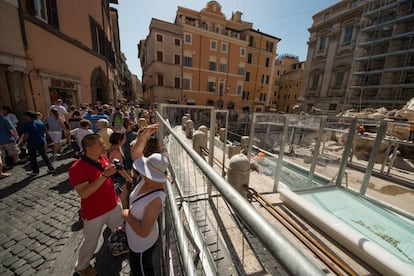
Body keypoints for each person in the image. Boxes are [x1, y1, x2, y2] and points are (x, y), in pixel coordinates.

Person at [68, 134, 125, 275]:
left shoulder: (102, 157)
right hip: (95, 212)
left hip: (112, 204)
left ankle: (117, 247)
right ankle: (81, 266)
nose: (104, 146)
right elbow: (84, 193)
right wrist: (105, 175)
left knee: (120, 229)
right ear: (88, 149)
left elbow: (106, 177)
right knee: (91, 242)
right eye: (99, 145)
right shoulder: (77, 168)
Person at [122, 123, 168, 276]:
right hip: (135, 242)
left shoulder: (156, 198)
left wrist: (126, 213)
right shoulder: (147, 178)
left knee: (142, 271)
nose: (141, 171)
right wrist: (144, 136)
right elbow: (137, 155)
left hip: (141, 245)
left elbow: (142, 231)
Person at [21, 111, 55, 176]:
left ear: (28, 116)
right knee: (44, 156)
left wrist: (23, 142)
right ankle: (51, 168)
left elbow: (26, 135)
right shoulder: (40, 122)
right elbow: (45, 131)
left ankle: (35, 171)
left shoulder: (27, 124)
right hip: (41, 141)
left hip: (32, 143)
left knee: (33, 157)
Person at [108, 132, 133, 207]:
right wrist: (129, 179)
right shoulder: (116, 152)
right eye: (124, 138)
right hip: (118, 178)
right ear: (119, 140)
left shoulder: (112, 148)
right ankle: (125, 215)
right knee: (123, 198)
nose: (125, 140)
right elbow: (119, 168)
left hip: (115, 177)